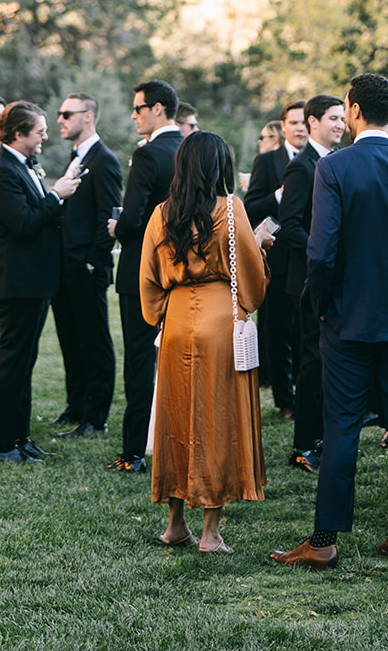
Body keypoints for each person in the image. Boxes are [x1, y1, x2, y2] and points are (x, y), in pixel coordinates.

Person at [270, 73, 388, 570]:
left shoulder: (335, 168)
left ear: (352, 110)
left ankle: (325, 540)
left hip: (349, 318)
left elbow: (321, 251)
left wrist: (321, 304)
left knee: (342, 424)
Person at [141, 131, 269, 553]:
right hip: (220, 323)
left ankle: (175, 524)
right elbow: (249, 276)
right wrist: (261, 253)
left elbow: (148, 278)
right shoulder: (231, 210)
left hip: (177, 323)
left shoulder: (162, 214)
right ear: (221, 167)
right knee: (218, 421)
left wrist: (163, 313)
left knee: (177, 419)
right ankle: (211, 533)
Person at [0, 102, 80, 463]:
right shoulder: (2, 171)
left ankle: (20, 437)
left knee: (24, 364)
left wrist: (52, 194)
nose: (45, 137)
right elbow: (22, 223)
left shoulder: (22, 166)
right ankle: (4, 444)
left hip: (33, 282)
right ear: (19, 134)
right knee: (12, 365)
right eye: (39, 131)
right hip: (15, 284)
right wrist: (57, 195)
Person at [108, 79, 182, 472]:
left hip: (142, 271)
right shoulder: (189, 149)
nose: (134, 115)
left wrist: (115, 227)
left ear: (157, 109)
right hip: (181, 271)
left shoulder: (149, 154)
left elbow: (133, 216)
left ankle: (134, 450)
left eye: (138, 108)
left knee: (139, 358)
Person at [279, 95, 345, 474]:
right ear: (313, 122)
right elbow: (289, 224)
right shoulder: (301, 167)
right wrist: (324, 252)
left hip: (333, 279)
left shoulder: (337, 161)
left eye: (342, 118)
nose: (340, 124)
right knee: (311, 363)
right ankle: (303, 446)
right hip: (305, 280)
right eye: (333, 118)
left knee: (329, 362)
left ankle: (323, 437)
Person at [50, 93, 122, 438]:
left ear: (88, 116)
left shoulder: (104, 160)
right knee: (70, 339)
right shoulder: (75, 156)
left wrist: (95, 262)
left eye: (67, 114)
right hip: (64, 266)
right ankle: (76, 405)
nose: (60, 119)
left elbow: (109, 216)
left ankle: (96, 416)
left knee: (94, 341)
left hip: (87, 267)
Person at [245, 98, 307, 419]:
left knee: (305, 333)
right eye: (294, 122)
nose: (300, 128)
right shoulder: (267, 162)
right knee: (277, 331)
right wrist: (279, 194)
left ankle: (307, 391)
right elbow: (250, 207)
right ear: (283, 127)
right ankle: (284, 400)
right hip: (277, 262)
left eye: (304, 122)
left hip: (310, 260)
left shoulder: (325, 160)